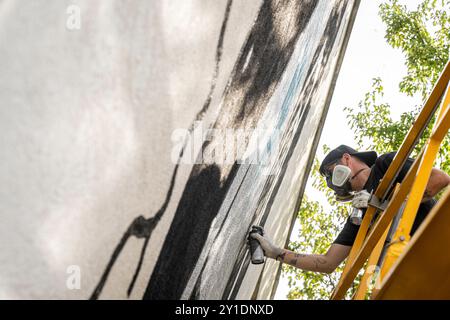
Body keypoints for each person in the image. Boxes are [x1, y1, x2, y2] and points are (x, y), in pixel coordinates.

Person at [250, 145, 450, 274]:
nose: (331, 181)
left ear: (346, 159)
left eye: (330, 172)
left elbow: (439, 179)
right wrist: (275, 252)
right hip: (421, 270)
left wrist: (387, 205)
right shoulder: (360, 216)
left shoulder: (386, 166)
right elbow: (328, 263)